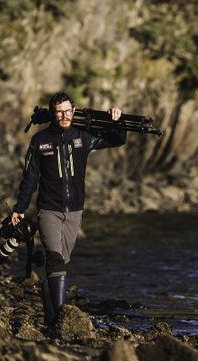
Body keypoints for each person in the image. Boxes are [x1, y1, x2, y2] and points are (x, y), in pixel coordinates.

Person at [11, 91, 126, 325]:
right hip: (48, 210)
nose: (64, 116)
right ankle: (63, 318)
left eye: (67, 111)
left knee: (59, 264)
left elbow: (117, 139)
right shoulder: (40, 140)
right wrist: (19, 208)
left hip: (75, 211)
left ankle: (52, 320)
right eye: (59, 112)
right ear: (52, 114)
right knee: (55, 260)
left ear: (73, 111)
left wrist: (118, 122)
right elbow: (30, 178)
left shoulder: (83, 136)